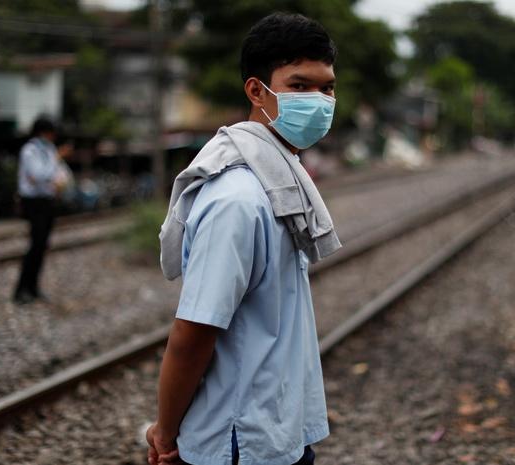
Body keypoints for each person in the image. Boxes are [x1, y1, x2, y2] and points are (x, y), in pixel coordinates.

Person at [146, 13, 341, 465]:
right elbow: (193, 333)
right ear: (257, 91)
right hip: (238, 441)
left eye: (327, 87)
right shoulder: (238, 199)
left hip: (274, 432)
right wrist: (166, 432)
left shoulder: (280, 182)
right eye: (299, 86)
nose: (319, 100)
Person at [13, 117, 69, 304]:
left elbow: (58, 175)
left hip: (47, 200)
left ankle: (33, 287)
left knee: (42, 245)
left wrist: (58, 178)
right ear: (43, 132)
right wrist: (56, 160)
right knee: (35, 244)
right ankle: (21, 290)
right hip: (33, 201)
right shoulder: (30, 151)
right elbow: (39, 175)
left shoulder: (49, 150)